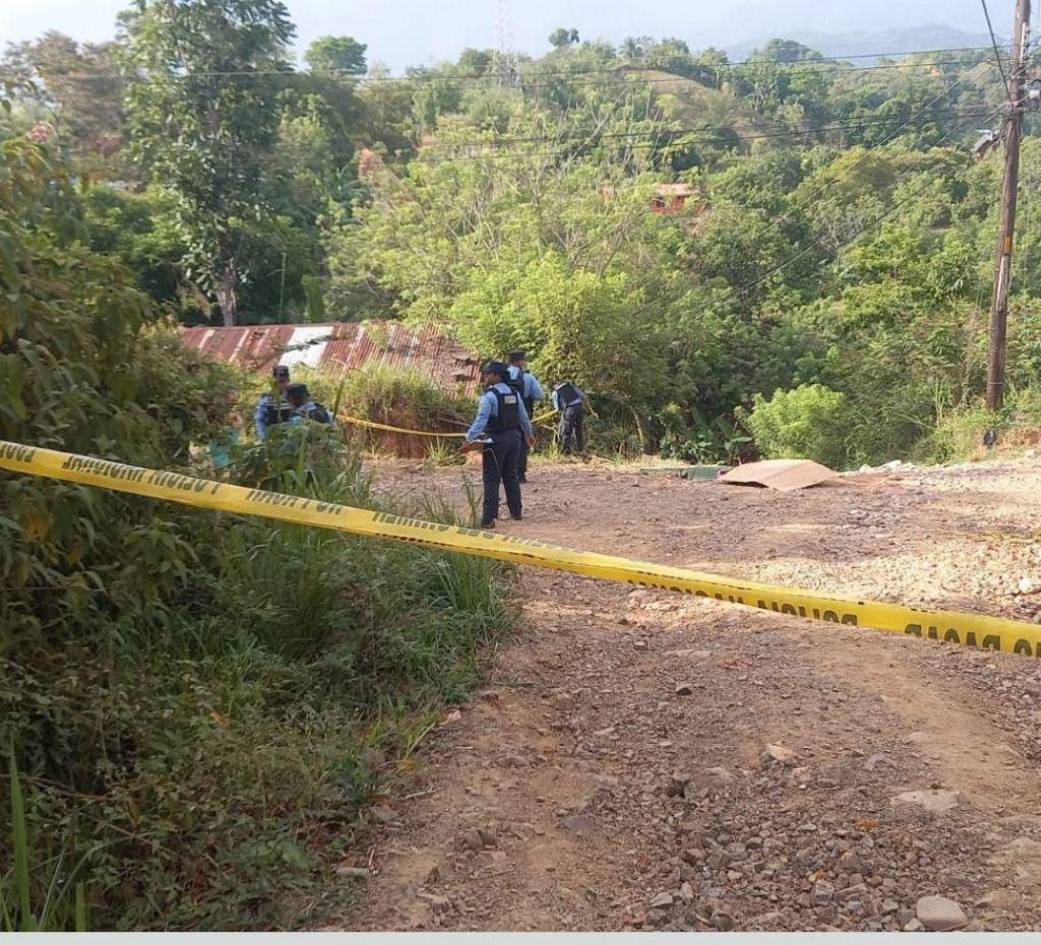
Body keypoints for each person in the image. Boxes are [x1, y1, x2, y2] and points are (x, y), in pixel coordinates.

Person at [462, 361, 534, 529]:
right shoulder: (514, 393)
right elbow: (524, 418)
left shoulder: (490, 397)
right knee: (511, 475)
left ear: (496, 376)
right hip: (515, 440)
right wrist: (529, 434)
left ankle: (488, 519)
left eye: (488, 374)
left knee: (491, 479)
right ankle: (516, 512)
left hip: (496, 442)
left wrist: (468, 438)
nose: (485, 377)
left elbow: (481, 421)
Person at [505, 350, 545, 483]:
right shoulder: (528, 377)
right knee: (522, 443)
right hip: (522, 414)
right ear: (520, 362)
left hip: (503, 415)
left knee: (503, 442)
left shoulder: (502, 375)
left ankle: (502, 473)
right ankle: (520, 474)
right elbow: (540, 395)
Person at [255, 364, 291, 440]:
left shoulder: (293, 397)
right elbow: (260, 419)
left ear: (288, 381)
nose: (279, 385)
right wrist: (263, 438)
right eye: (276, 382)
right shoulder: (266, 399)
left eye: (282, 381)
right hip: (273, 438)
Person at [552, 380, 587, 455]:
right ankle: (580, 449)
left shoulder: (555, 392)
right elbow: (583, 396)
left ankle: (565, 451)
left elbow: (557, 408)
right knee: (578, 429)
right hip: (579, 407)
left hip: (570, 409)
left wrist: (560, 409)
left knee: (566, 430)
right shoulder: (571, 387)